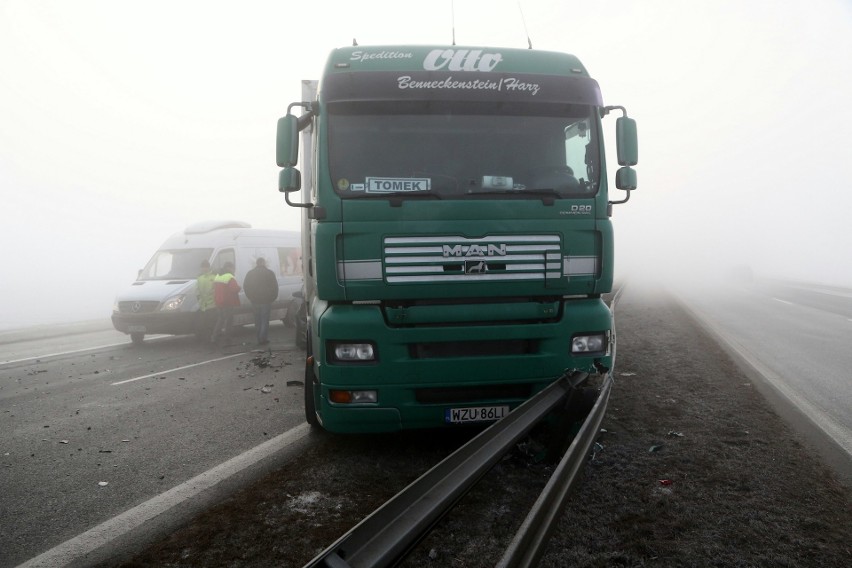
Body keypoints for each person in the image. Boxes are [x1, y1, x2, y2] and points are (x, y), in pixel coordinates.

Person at [243, 257, 279, 345]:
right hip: (266, 301)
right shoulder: (270, 273)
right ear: (263, 263)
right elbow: (275, 287)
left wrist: (251, 297)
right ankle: (263, 339)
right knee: (264, 320)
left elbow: (246, 287)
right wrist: (272, 298)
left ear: (257, 263)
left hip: (255, 301)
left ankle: (259, 338)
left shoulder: (250, 273)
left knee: (257, 320)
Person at [211, 262, 241, 345]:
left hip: (218, 302)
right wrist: (239, 287)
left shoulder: (218, 276)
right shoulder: (229, 277)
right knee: (229, 321)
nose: (233, 270)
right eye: (233, 268)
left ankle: (214, 337)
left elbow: (214, 288)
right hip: (227, 302)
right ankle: (228, 339)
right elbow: (234, 289)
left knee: (220, 320)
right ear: (229, 268)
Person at [195, 260, 217, 340]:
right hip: (203, 306)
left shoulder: (213, 277)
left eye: (206, 267)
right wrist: (199, 299)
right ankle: (207, 338)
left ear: (208, 267)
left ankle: (212, 338)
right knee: (204, 324)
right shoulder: (199, 278)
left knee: (211, 323)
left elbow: (216, 290)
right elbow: (197, 290)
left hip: (212, 305)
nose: (204, 269)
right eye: (203, 267)